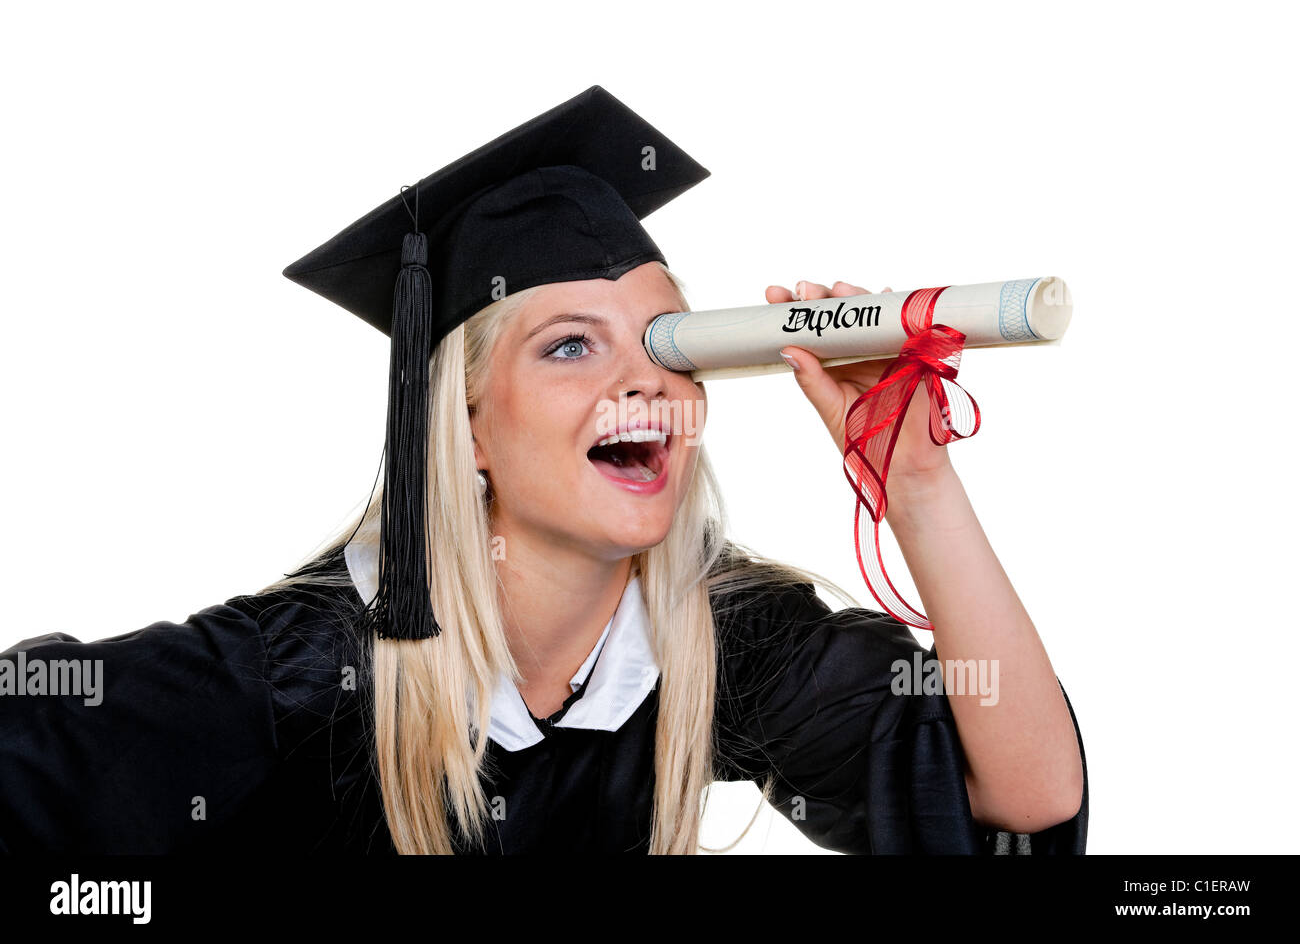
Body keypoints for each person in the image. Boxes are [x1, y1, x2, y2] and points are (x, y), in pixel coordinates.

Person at [0, 86, 1087, 855]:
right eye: (569, 343)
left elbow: (1022, 796)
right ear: (465, 425)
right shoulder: (298, 672)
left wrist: (919, 493)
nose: (642, 376)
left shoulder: (717, 638)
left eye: (671, 341)